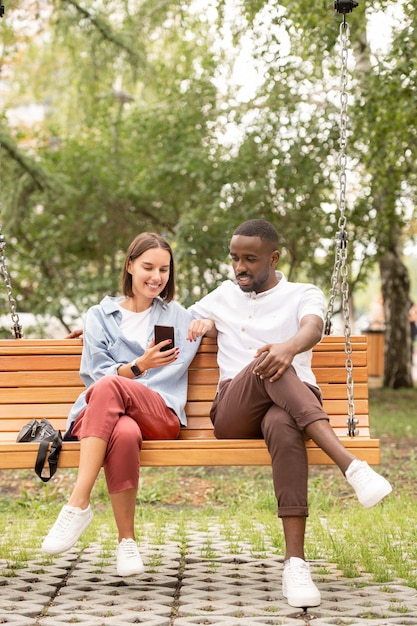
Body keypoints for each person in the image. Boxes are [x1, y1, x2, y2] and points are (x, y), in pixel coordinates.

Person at [187, 218, 392, 609]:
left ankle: (295, 563)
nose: (240, 267)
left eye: (250, 259)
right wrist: (202, 322)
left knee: (283, 423)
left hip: (289, 406)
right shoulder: (221, 296)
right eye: (235, 259)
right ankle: (350, 466)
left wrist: (289, 347)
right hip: (234, 409)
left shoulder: (303, 292)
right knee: (269, 361)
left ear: (274, 257)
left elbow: (313, 328)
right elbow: (171, 320)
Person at [42, 232, 201, 577]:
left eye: (164, 269)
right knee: (124, 431)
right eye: (148, 267)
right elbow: (95, 375)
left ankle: (78, 502)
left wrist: (209, 322)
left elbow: (231, 312)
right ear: (129, 266)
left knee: (112, 385)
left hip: (159, 414)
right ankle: (126, 542)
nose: (156, 277)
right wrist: (139, 365)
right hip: (106, 417)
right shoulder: (100, 316)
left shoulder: (177, 316)